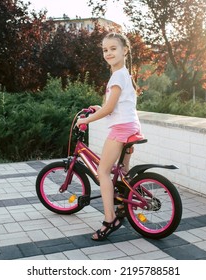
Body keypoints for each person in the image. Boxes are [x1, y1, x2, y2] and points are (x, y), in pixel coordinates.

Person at [76, 32, 142, 241]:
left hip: (121, 130)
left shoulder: (117, 76)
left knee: (102, 172)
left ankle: (109, 219)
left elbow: (111, 108)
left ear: (125, 50)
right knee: (122, 172)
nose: (109, 53)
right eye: (105, 50)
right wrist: (100, 107)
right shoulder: (125, 74)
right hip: (132, 127)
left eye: (113, 48)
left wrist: (86, 120)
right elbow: (116, 105)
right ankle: (123, 205)